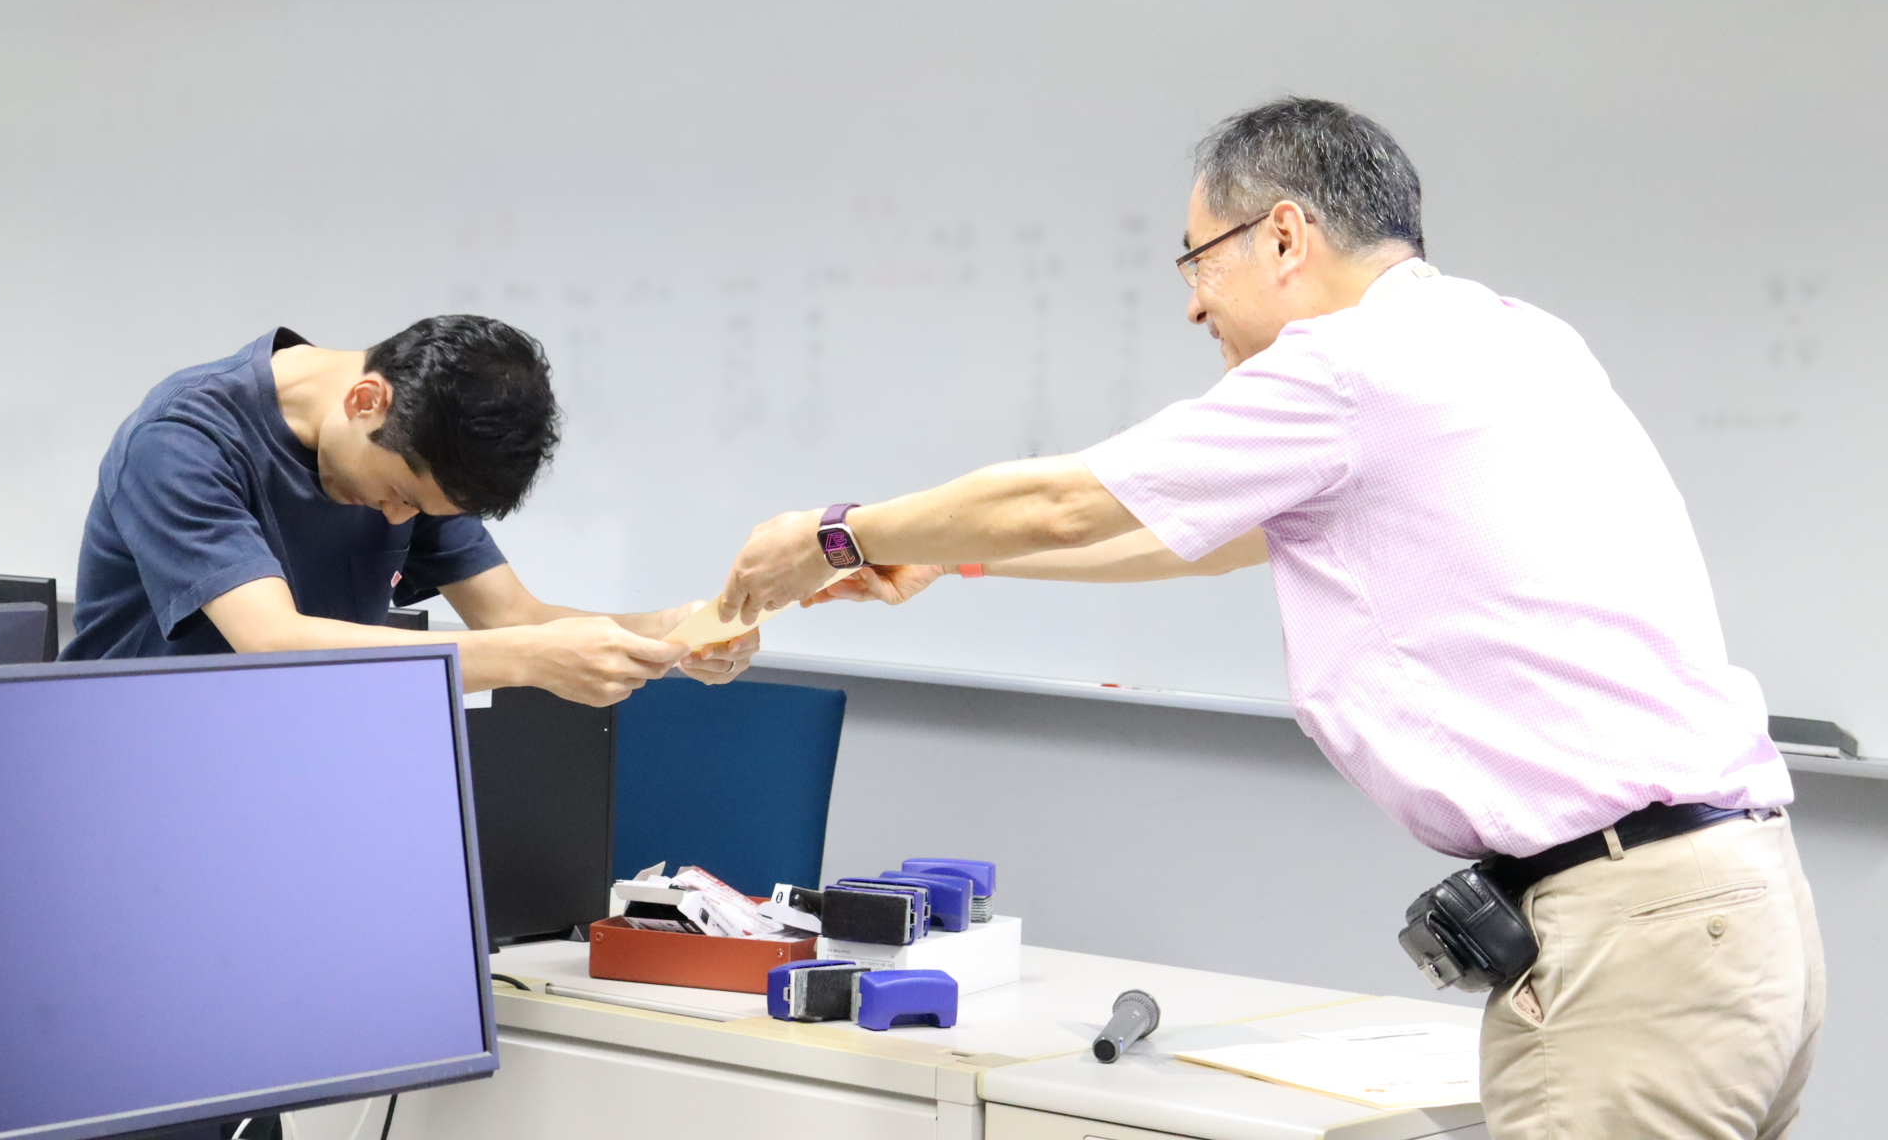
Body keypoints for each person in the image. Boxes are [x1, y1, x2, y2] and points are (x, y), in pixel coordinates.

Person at [712, 98, 1821, 1139]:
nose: (1194, 304)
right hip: (1737, 918)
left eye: (1199, 259)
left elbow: (1065, 501)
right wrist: (948, 555)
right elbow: (1188, 534)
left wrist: (838, 532)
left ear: (1284, 235)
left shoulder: (1346, 368)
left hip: (1630, 944)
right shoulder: (1514, 336)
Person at [65, 314, 757, 704]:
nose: (399, 519)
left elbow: (512, 617)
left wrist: (669, 631)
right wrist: (529, 659)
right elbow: (273, 643)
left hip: (287, 773)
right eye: (400, 495)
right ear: (367, 401)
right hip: (130, 772)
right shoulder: (183, 441)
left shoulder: (415, 454)